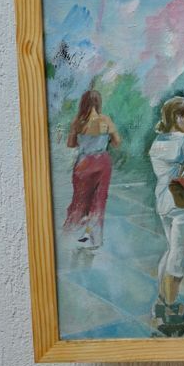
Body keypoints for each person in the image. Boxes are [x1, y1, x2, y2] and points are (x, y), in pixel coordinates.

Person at [148, 96, 184, 324]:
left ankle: (161, 301)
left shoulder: (158, 142)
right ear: (175, 117)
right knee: (179, 255)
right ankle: (171, 308)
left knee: (171, 249)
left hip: (164, 202)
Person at [63, 90, 120, 250]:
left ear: (83, 103)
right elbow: (117, 142)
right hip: (102, 162)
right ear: (99, 103)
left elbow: (70, 144)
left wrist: (84, 141)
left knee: (80, 200)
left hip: (83, 163)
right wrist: (104, 140)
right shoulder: (106, 120)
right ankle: (93, 239)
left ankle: (70, 234)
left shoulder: (77, 122)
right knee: (98, 200)